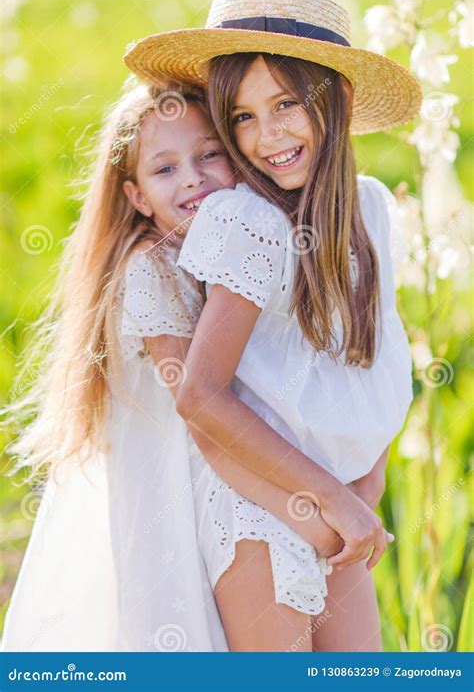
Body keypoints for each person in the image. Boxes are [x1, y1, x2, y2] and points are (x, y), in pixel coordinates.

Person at [1, 78, 373, 652]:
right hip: (189, 505)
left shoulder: (235, 247)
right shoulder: (151, 267)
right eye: (165, 169)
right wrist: (311, 508)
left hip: (254, 484)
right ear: (137, 197)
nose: (193, 178)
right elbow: (197, 412)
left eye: (208, 156)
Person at [124, 0, 421, 651]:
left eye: (286, 103)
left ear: (337, 102)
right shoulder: (247, 222)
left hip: (336, 493)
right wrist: (333, 503)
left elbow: (373, 362)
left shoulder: (369, 207)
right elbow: (200, 395)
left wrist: (362, 488)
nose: (268, 135)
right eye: (244, 117)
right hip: (260, 499)